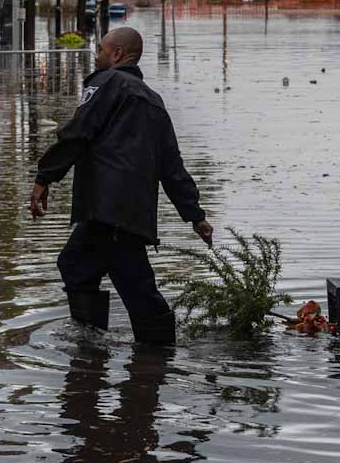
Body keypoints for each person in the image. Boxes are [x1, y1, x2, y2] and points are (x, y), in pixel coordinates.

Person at [30, 27, 213, 345]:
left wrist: (45, 176)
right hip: (130, 212)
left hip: (107, 209)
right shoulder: (154, 102)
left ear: (116, 54)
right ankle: (115, 350)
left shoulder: (107, 82)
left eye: (101, 49)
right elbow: (172, 167)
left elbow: (78, 132)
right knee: (98, 271)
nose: (97, 55)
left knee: (105, 275)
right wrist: (195, 215)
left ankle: (119, 349)